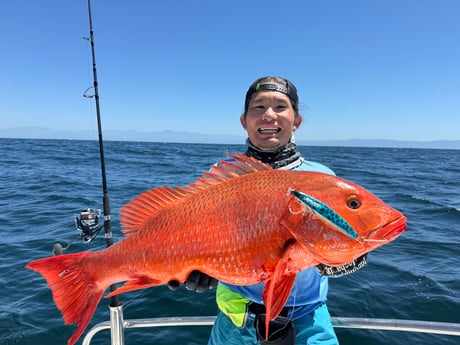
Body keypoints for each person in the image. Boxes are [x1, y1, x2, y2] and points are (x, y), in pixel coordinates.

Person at [169, 76, 367, 345]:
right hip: (234, 324)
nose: (269, 115)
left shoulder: (323, 179)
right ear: (244, 120)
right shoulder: (222, 181)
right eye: (258, 107)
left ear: (296, 121)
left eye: (280, 107)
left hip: (307, 320)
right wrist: (201, 270)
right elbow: (195, 236)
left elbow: (350, 236)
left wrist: (348, 257)